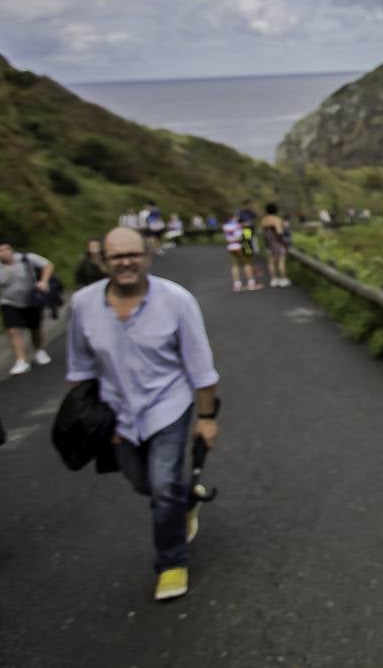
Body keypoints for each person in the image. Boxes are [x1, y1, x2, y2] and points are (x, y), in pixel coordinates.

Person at [66, 226, 219, 602]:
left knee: (163, 485)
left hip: (169, 405)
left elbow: (201, 367)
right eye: (117, 256)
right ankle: (187, 499)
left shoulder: (176, 300)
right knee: (143, 484)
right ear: (101, 261)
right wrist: (92, 418)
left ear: (147, 255)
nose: (126, 262)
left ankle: (170, 562)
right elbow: (81, 370)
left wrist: (206, 416)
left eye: (133, 254)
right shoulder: (83, 304)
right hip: (118, 415)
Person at [0, 242, 56, 376]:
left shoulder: (26, 258)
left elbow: (48, 265)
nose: (4, 252)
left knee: (35, 328)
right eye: (0, 250)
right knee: (12, 330)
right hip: (8, 302)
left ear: (11, 249)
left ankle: (39, 350)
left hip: (31, 299)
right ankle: (21, 359)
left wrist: (44, 281)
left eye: (7, 249)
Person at [222, 211, 261, 292]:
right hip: (240, 246)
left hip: (230, 247)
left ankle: (237, 285)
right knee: (247, 264)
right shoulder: (238, 226)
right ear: (233, 217)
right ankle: (251, 283)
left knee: (234, 266)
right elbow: (243, 237)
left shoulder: (225, 226)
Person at [259, 203, 291, 287]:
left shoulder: (264, 220)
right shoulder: (276, 219)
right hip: (277, 243)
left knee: (271, 262)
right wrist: (283, 243)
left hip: (269, 244)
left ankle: (273, 279)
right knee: (281, 261)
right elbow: (279, 232)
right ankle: (283, 279)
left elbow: (263, 233)